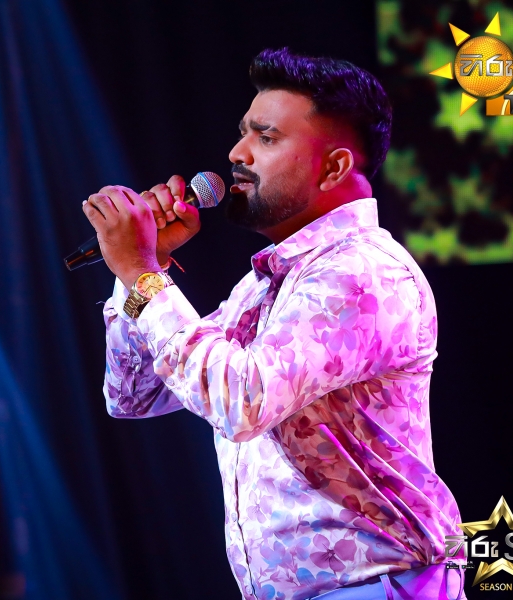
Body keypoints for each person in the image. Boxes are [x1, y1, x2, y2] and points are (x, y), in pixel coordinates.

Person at [81, 48, 466, 600]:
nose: (236, 154)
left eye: (266, 138)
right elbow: (134, 394)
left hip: (372, 587)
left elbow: (241, 402)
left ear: (333, 167)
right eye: (243, 133)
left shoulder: (362, 272)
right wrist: (146, 270)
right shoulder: (264, 285)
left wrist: (140, 272)